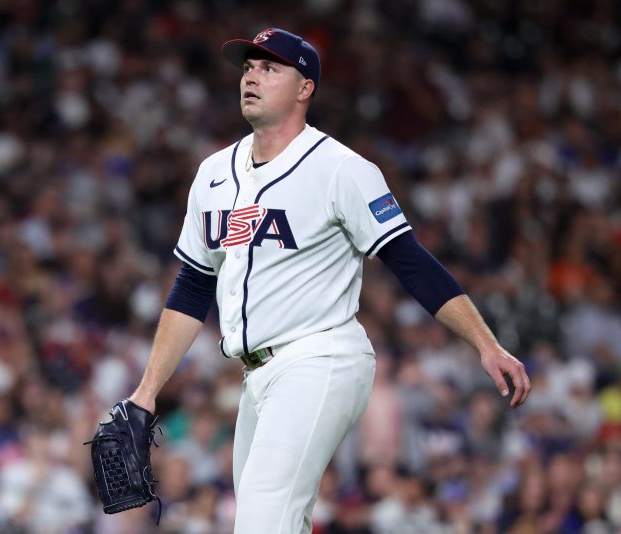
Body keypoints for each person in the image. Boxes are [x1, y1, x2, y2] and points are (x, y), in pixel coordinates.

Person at [127, 28, 531, 533]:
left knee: (260, 521)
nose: (251, 77)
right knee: (275, 521)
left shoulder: (342, 169)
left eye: (269, 68)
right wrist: (147, 390)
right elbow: (192, 285)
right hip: (256, 377)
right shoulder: (213, 173)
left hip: (320, 357)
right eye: (248, 67)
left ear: (305, 88)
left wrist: (486, 344)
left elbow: (410, 260)